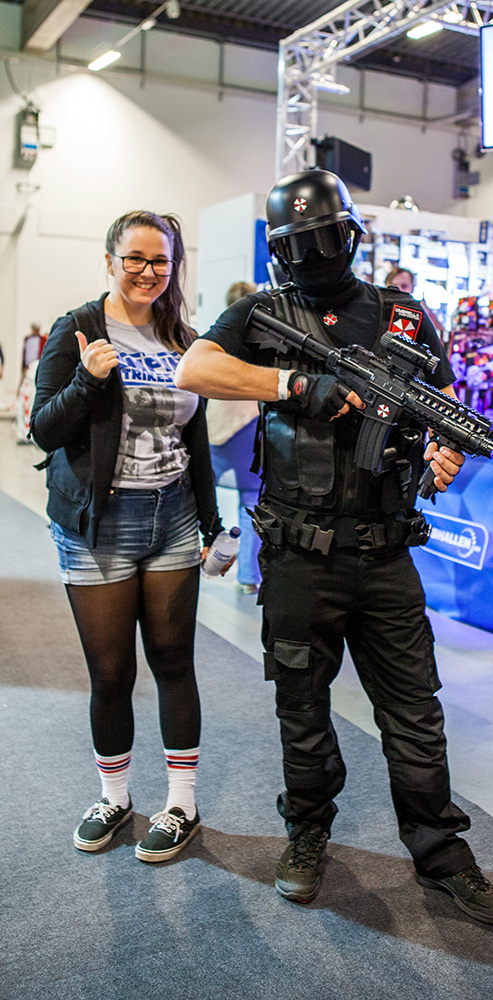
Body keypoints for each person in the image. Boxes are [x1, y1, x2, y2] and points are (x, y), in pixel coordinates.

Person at [175, 170, 493, 925]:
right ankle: (308, 836)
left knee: (415, 713)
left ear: (351, 236)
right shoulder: (263, 315)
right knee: (301, 707)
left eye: (325, 238)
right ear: (279, 250)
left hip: (387, 554)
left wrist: (440, 460)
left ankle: (442, 852)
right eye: (300, 243)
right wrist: (298, 386)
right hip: (299, 556)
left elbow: (440, 422)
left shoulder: (404, 316)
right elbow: (195, 369)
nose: (315, 253)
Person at [30, 210, 230, 864]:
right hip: (98, 528)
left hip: (171, 519)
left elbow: (194, 439)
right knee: (111, 674)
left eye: (161, 261)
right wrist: (89, 378)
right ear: (111, 260)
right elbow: (46, 430)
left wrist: (211, 522)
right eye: (135, 258)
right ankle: (115, 798)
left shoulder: (185, 339)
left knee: (174, 662)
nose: (148, 271)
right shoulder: (77, 329)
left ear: (174, 266)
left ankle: (182, 805)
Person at [205, 281, 262, 593]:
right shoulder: (263, 338)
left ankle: (195, 558)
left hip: (217, 425)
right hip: (247, 426)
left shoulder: (218, 334)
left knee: (199, 495)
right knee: (251, 502)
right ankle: (249, 578)